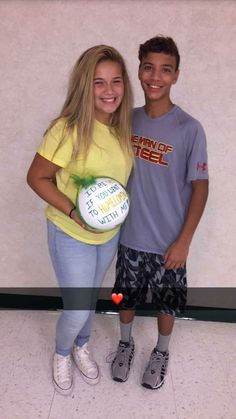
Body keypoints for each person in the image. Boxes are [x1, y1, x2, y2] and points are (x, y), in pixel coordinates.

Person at [27, 45, 133, 395]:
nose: (108, 90)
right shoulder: (66, 129)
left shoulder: (121, 130)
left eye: (115, 81)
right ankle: (62, 353)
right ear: (84, 86)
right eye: (98, 82)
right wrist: (73, 212)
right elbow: (36, 178)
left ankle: (82, 346)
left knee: (89, 301)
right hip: (71, 233)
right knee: (75, 309)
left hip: (108, 236)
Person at [111, 36, 209, 390]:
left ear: (176, 75)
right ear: (138, 70)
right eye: (148, 67)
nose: (155, 76)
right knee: (124, 296)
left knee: (167, 304)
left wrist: (184, 241)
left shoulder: (189, 128)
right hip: (130, 236)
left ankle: (162, 351)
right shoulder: (126, 120)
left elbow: (200, 186)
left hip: (170, 243)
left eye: (165, 70)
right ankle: (125, 343)